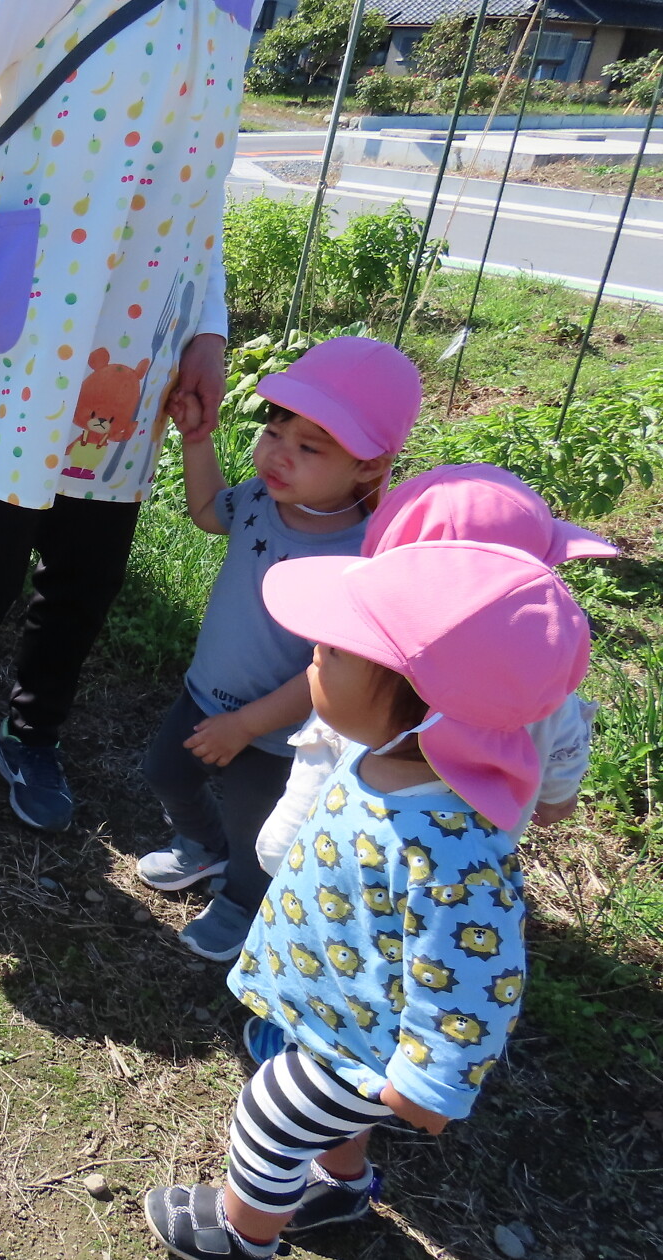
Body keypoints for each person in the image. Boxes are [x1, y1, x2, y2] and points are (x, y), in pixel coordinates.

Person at [0, 0, 254, 840]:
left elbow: (204, 183)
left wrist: (209, 328)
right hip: (29, 314)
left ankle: (31, 733)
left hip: (137, 329)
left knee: (89, 562)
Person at [143, 540, 590, 1260]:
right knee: (320, 1120)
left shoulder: (452, 848)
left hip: (369, 1036)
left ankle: (240, 1235)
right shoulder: (378, 748)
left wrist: (434, 1079)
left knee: (271, 1112)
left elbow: (480, 976)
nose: (312, 657)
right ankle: (339, 1187)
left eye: (333, 651)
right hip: (337, 1002)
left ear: (425, 698)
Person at [134, 337, 421, 962]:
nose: (278, 453)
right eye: (274, 431)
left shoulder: (363, 556)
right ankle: (200, 846)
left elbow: (328, 671)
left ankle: (243, 901)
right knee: (166, 773)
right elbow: (208, 511)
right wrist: (196, 440)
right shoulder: (262, 500)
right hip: (204, 692)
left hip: (278, 733)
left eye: (309, 447)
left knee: (257, 829)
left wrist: (246, 725)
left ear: (369, 466)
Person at [253, 462, 619, 888]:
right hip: (473, 865)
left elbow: (284, 844)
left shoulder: (363, 705)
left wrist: (281, 860)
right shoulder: (539, 685)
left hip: (331, 890)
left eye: (336, 647)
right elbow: (565, 751)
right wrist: (557, 796)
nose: (320, 651)